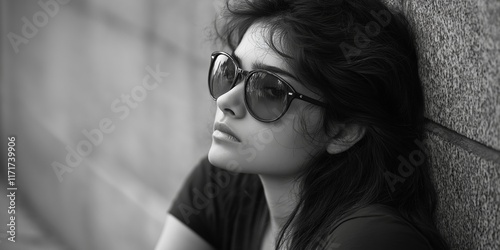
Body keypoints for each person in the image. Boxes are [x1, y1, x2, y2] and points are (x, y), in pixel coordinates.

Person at [155, 0, 449, 249]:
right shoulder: (224, 182)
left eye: (269, 90)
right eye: (230, 71)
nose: (225, 101)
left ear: (342, 130)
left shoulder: (368, 239)